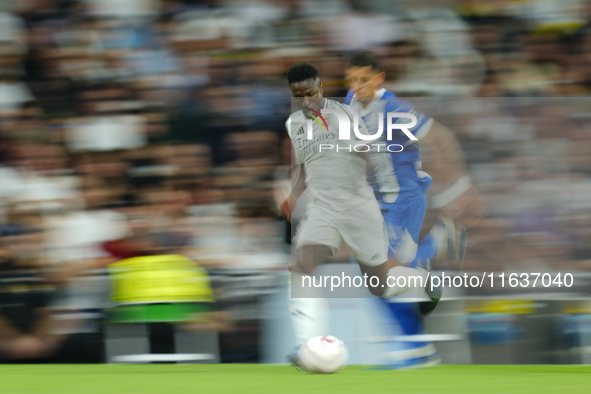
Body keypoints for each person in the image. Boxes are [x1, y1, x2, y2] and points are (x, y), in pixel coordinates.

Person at [279, 62, 440, 371]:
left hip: (357, 206)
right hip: (323, 208)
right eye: (299, 95)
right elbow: (304, 166)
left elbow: (374, 157)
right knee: (301, 264)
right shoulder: (294, 124)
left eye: (311, 92)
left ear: (320, 88)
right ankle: (306, 346)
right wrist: (294, 194)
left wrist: (383, 198)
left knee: (378, 285)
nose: (307, 99)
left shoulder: (345, 116)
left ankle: (422, 280)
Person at [343, 50, 485, 368]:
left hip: (401, 201)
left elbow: (443, 138)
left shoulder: (395, 108)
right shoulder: (352, 103)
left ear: (379, 79)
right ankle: (418, 348)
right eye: (351, 79)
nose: (356, 85)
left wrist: (460, 189)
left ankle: (435, 248)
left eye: (363, 79)